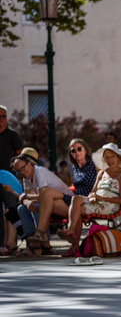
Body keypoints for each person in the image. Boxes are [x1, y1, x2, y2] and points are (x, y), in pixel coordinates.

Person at [57, 143, 121, 256]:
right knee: (76, 199)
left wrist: (99, 197)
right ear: (104, 159)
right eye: (107, 157)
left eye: (112, 156)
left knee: (76, 212)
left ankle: (74, 244)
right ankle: (71, 232)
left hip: (110, 206)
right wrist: (91, 197)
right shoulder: (101, 173)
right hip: (97, 203)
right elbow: (93, 192)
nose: (109, 160)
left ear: (118, 157)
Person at [11, 147, 73, 256]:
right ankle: (35, 244)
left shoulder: (39, 172)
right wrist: (27, 202)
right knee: (22, 209)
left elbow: (40, 197)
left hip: (67, 203)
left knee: (37, 205)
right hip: (50, 203)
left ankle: (41, 244)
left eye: (23, 167)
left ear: (30, 164)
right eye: (18, 171)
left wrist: (26, 199)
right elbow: (27, 198)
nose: (22, 171)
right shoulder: (26, 177)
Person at [0, 105, 23, 255]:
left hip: (9, 180)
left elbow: (21, 157)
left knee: (11, 210)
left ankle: (11, 244)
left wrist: (19, 177)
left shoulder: (12, 135)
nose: (1, 120)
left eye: (3, 116)